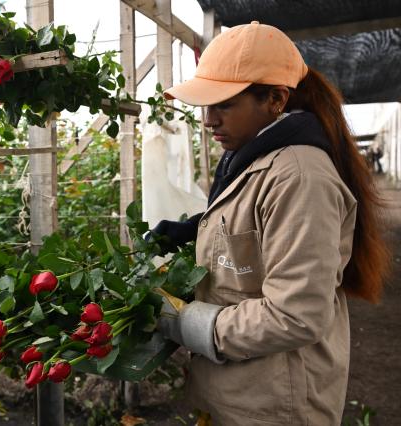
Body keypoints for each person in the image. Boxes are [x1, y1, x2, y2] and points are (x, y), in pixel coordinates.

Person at [150, 21, 390, 425]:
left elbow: (295, 315)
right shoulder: (253, 156)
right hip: (240, 389)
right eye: (206, 106)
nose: (209, 121)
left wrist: (183, 321)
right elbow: (254, 225)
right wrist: (195, 230)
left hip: (276, 402)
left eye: (223, 104)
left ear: (276, 99)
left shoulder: (299, 176)